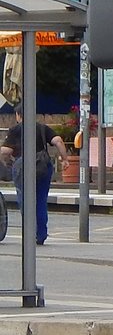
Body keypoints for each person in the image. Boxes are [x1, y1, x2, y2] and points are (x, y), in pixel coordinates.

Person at [0, 102, 67, 245]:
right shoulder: (43, 128)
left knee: (25, 200)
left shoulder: (15, 130)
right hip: (43, 167)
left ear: (18, 115)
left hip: (22, 167)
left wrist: (5, 161)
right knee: (41, 201)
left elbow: (6, 151)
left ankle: (29, 233)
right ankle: (41, 234)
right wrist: (64, 159)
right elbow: (58, 141)